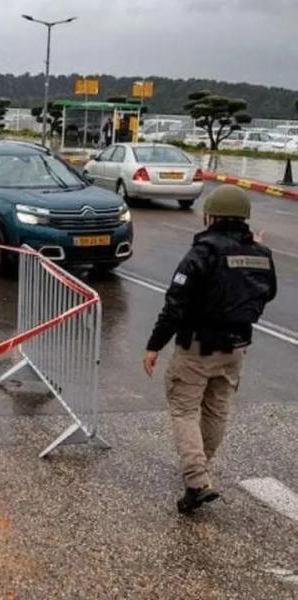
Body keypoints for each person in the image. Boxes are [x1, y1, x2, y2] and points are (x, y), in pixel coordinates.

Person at [143, 185, 276, 514]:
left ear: (210, 216)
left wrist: (154, 345)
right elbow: (268, 293)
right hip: (236, 349)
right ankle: (200, 469)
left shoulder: (202, 253)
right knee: (216, 411)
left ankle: (197, 481)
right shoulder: (261, 254)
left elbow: (175, 304)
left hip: (197, 348)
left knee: (184, 410)